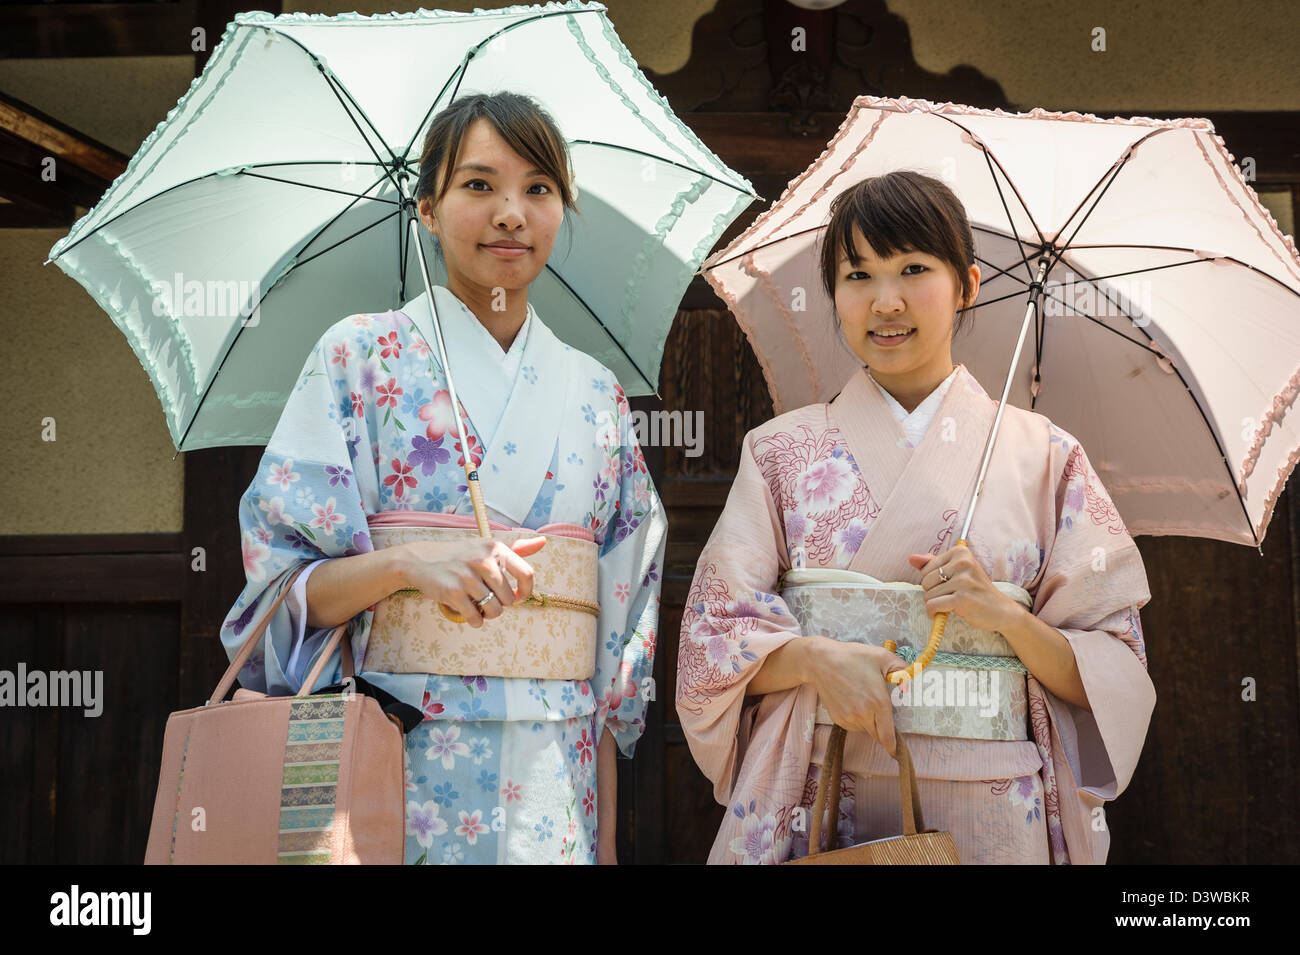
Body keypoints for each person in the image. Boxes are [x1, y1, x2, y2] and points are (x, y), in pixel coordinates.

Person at [220, 91, 666, 865]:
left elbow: (620, 617)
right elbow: (278, 597)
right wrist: (404, 565)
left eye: (538, 188)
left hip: (555, 775)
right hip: (395, 754)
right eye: (479, 185)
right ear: (427, 208)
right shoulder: (358, 359)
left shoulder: (595, 391)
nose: (510, 213)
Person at [676, 170, 1153, 864]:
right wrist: (812, 658)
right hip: (824, 781)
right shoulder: (778, 453)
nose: (885, 300)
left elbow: (1115, 671)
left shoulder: (1046, 457)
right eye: (857, 275)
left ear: (967, 284)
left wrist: (1007, 618)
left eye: (913, 268)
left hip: (992, 799)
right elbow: (708, 646)